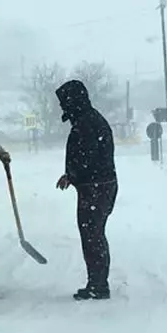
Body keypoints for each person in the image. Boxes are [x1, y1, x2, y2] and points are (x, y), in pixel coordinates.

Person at [54, 79, 117, 301]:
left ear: (74, 100)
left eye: (64, 102)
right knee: (94, 234)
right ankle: (97, 282)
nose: (62, 108)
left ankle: (98, 285)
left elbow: (87, 157)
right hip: (98, 186)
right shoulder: (87, 120)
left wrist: (73, 174)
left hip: (96, 188)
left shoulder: (87, 123)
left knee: (92, 235)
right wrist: (72, 175)